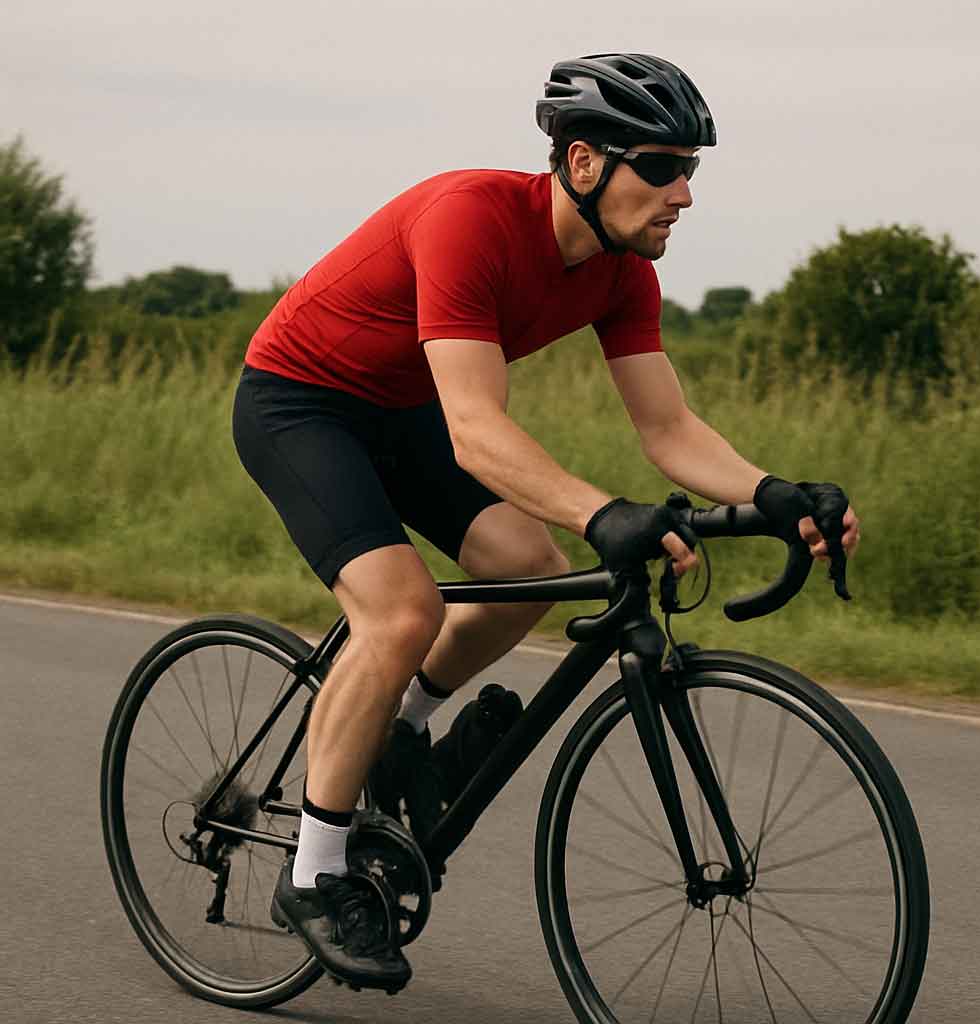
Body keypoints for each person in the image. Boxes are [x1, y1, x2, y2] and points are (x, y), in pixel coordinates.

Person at [232, 52, 860, 993]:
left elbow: (669, 428)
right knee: (400, 611)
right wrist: (602, 511)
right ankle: (316, 874)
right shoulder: (469, 219)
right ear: (581, 163)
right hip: (302, 402)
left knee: (526, 568)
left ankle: (399, 728)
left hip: (408, 411)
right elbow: (478, 429)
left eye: (693, 169)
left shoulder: (619, 272)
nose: (683, 193)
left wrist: (774, 494)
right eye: (661, 165)